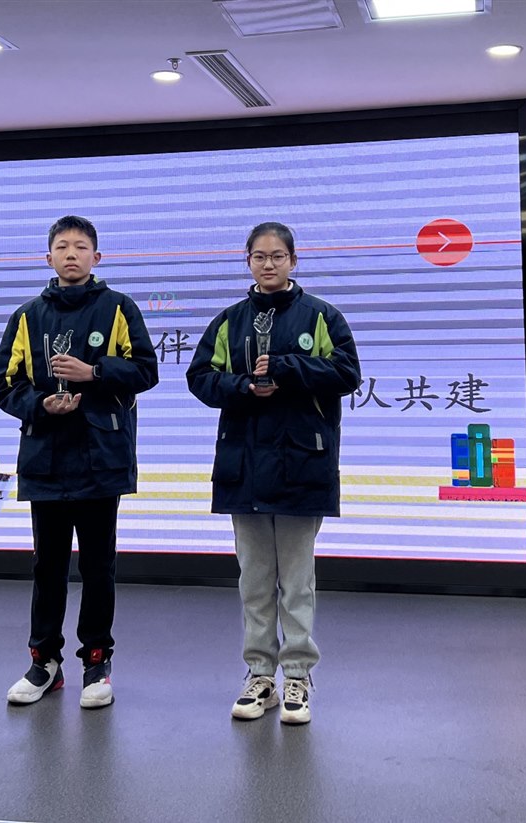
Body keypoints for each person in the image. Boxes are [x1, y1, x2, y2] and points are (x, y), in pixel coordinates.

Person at [186, 222, 361, 724]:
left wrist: (287, 368)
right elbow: (200, 377)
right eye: (259, 256)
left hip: (303, 464)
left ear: (293, 261)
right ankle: (260, 675)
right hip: (244, 466)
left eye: (278, 256)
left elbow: (347, 373)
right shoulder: (229, 321)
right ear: (248, 261)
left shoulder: (321, 316)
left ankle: (298, 677)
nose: (268, 264)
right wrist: (243, 386)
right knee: (256, 582)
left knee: (298, 583)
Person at [0, 215, 158, 709]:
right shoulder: (27, 316)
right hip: (46, 458)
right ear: (48, 258)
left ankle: (96, 661)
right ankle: (44, 661)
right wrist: (40, 405)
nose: (71, 254)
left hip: (101, 458)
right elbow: (4, 384)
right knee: (47, 566)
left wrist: (94, 372)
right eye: (62, 246)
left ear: (96, 257)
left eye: (81, 246)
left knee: (99, 566)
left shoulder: (118, 308)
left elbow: (146, 370)